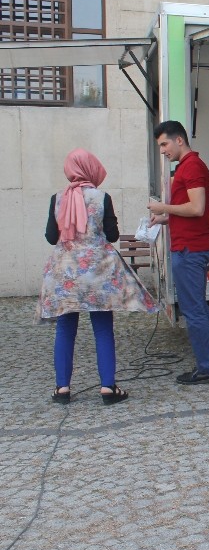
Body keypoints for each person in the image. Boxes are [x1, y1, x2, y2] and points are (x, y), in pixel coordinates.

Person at [37, 148, 158, 404]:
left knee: (65, 328)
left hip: (65, 273)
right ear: (90, 168)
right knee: (103, 329)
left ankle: (62, 389)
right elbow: (112, 235)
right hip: (98, 272)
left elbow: (50, 237)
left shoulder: (57, 198)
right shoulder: (102, 197)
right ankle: (107, 387)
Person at [148, 121, 209, 385]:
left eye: (164, 144)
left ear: (179, 140)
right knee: (197, 309)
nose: (163, 150)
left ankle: (208, 368)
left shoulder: (191, 166)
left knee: (194, 311)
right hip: (189, 245)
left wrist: (164, 207)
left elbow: (196, 208)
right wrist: (165, 219)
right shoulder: (188, 166)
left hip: (191, 249)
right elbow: (191, 211)